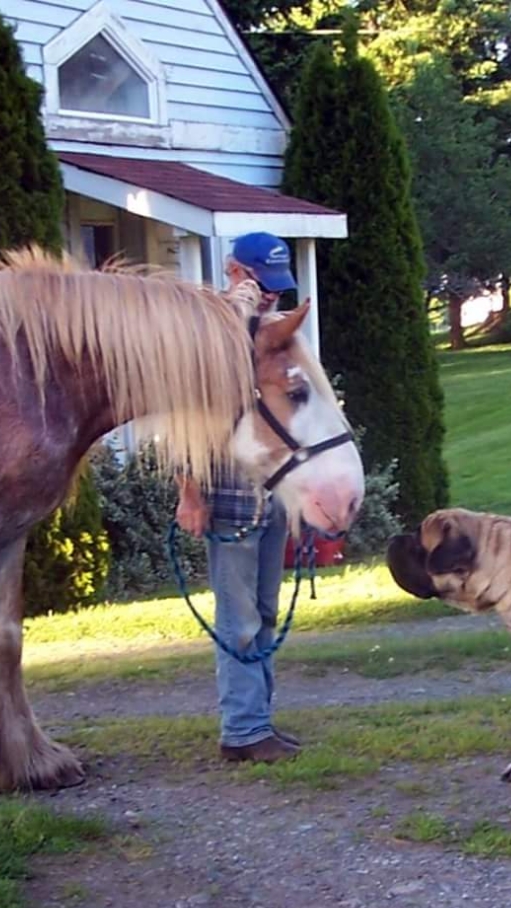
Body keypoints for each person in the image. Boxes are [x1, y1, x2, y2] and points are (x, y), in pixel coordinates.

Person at [176, 231, 302, 763]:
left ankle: (258, 720)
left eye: (276, 286)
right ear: (233, 272)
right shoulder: (209, 333)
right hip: (227, 496)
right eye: (261, 282)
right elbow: (183, 421)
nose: (270, 294)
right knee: (239, 620)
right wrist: (189, 495)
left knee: (265, 613)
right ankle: (243, 731)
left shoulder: (272, 332)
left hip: (271, 494)